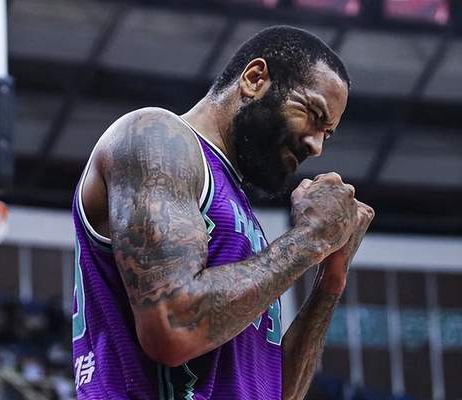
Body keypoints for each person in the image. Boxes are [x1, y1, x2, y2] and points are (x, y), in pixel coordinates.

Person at [71, 25, 374, 399]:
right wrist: (311, 238)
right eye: (313, 114)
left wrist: (331, 279)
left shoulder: (244, 221)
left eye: (326, 133)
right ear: (255, 79)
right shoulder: (156, 138)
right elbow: (173, 329)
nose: (316, 146)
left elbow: (278, 392)